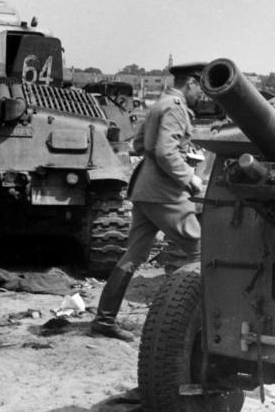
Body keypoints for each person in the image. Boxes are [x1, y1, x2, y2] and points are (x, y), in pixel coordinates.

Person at [90, 62, 206, 341]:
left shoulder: (159, 103)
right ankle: (197, 326)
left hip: (144, 188)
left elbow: (139, 144)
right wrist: (191, 177)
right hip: (164, 192)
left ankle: (104, 320)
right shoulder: (176, 107)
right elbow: (166, 153)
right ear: (190, 82)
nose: (201, 94)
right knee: (202, 250)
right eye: (200, 87)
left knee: (134, 254)